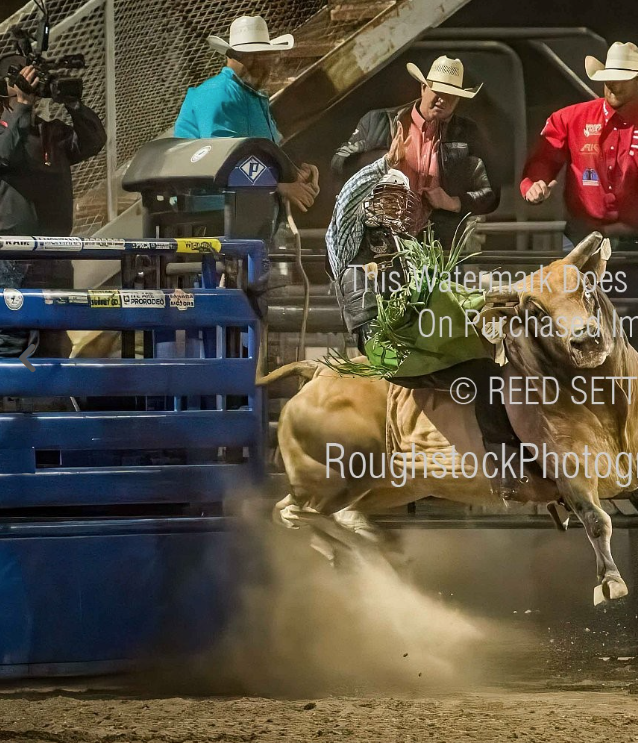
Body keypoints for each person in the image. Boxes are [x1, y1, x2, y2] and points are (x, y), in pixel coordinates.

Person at [326, 139, 535, 501]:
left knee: (495, 361)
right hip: (386, 340)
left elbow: (443, 289)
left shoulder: (410, 246)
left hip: (418, 336)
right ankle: (505, 467)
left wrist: (486, 301)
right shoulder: (347, 239)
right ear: (369, 201)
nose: (395, 203)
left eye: (400, 195)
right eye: (386, 195)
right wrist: (382, 166)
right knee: (484, 373)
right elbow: (345, 201)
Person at [520, 41, 638, 352]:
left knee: (629, 320)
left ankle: (624, 386)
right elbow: (543, 160)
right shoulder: (570, 119)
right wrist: (535, 184)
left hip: (633, 242)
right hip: (581, 240)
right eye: (609, 75)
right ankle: (581, 387)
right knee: (575, 316)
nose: (613, 83)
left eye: (622, 76)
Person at [331, 56, 499, 248]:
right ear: (423, 88)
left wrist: (454, 202)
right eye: (438, 91)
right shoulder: (378, 121)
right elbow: (340, 163)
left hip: (441, 243)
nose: (443, 99)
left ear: (458, 99)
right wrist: (382, 160)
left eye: (451, 94)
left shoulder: (469, 133)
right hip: (383, 241)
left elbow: (492, 192)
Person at [0, 61, 106, 358]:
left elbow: (94, 141)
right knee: (9, 344)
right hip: (10, 259)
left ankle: (53, 402)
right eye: (21, 79)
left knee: (55, 343)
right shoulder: (5, 132)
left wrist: (73, 104)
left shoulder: (51, 133)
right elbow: (5, 154)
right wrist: (21, 106)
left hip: (55, 254)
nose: (29, 84)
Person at [174, 15, 319, 211]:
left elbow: (264, 155)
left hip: (244, 210)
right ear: (236, 57)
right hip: (210, 213)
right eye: (258, 57)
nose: (268, 66)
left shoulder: (253, 97)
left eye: (267, 56)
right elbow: (223, 162)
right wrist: (280, 186)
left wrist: (295, 174)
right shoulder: (217, 94)